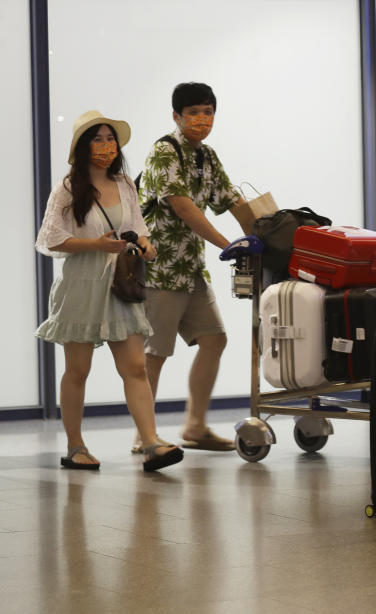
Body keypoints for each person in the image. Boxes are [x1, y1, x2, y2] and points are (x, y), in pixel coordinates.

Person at [35, 110, 184, 472]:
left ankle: (151, 443)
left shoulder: (125, 184)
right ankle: (75, 447)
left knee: (135, 366)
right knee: (78, 370)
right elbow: (51, 239)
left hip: (119, 283)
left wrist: (145, 245)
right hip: (81, 285)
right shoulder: (69, 188)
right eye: (97, 139)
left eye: (109, 138)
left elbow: (137, 226)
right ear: (83, 147)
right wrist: (96, 245)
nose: (106, 146)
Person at [136, 82, 246, 452]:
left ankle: (195, 426)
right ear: (176, 117)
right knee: (155, 353)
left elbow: (232, 199)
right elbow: (184, 207)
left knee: (215, 339)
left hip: (191, 269)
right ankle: (144, 433)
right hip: (160, 269)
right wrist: (228, 244)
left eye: (208, 112)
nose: (202, 120)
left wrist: (265, 235)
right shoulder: (163, 152)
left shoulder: (207, 157)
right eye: (193, 113)